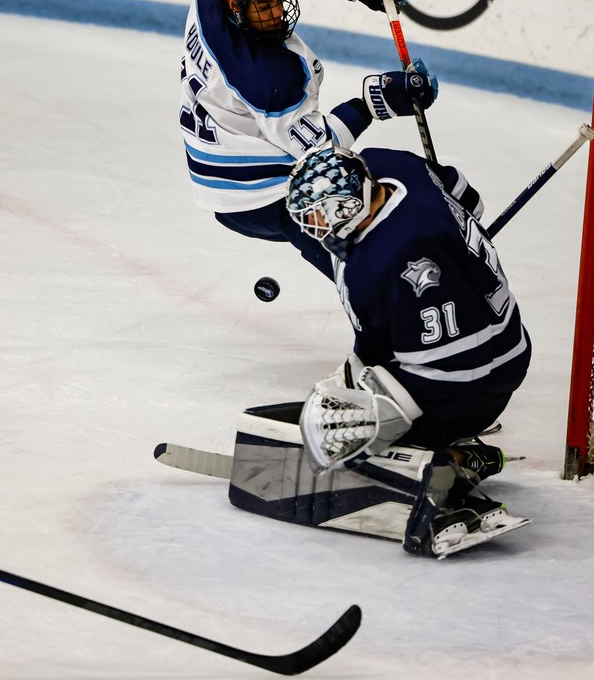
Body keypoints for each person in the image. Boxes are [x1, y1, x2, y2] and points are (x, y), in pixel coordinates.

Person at [225, 146, 531, 558]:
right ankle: (459, 450)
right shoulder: (391, 164)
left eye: (320, 216)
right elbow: (466, 195)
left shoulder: (378, 264)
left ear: (349, 207)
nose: (315, 228)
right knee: (374, 387)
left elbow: (429, 362)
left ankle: (443, 470)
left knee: (351, 420)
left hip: (469, 382)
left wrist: (379, 408)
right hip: (512, 346)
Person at [179, 0, 439, 277]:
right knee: (357, 235)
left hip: (220, 154)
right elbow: (321, 149)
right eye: (264, 7)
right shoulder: (268, 79)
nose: (277, 13)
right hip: (258, 193)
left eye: (277, 0)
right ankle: (401, 292)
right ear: (235, 4)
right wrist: (375, 102)